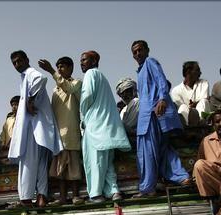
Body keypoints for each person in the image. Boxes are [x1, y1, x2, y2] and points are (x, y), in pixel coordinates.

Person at [130, 40, 190, 197]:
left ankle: (147, 187)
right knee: (163, 151)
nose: (137, 54)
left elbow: (161, 80)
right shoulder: (141, 70)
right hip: (153, 116)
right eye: (134, 52)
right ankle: (182, 177)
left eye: (140, 50)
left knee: (147, 152)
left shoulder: (150, 62)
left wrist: (163, 99)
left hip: (151, 115)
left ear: (147, 50)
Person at [8, 50, 63, 208]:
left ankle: (25, 199)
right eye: (14, 63)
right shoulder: (24, 77)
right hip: (40, 128)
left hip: (34, 128)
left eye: (19, 61)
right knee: (41, 164)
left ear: (26, 59)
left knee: (28, 162)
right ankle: (41, 197)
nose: (17, 65)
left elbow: (42, 78)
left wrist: (30, 100)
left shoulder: (30, 72)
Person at [78, 50, 130, 203]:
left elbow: (87, 96)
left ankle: (95, 194)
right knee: (107, 163)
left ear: (94, 61)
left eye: (84, 60)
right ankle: (114, 191)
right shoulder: (102, 77)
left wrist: (82, 116)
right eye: (81, 60)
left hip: (95, 127)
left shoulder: (91, 74)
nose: (81, 63)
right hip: (107, 128)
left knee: (95, 161)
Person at [38, 56, 83, 205]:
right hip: (58, 133)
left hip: (71, 131)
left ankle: (75, 195)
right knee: (60, 168)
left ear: (71, 68)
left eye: (62, 66)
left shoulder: (76, 83)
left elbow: (68, 88)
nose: (59, 69)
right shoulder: (55, 90)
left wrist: (51, 71)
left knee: (73, 165)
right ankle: (63, 197)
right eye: (58, 67)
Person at [170, 61, 210, 126]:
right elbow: (179, 107)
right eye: (197, 70)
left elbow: (205, 98)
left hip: (201, 118)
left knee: (203, 101)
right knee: (183, 107)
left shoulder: (203, 83)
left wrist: (195, 104)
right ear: (188, 72)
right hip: (187, 117)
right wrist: (190, 107)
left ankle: (200, 124)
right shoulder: (176, 90)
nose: (200, 73)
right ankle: (186, 127)